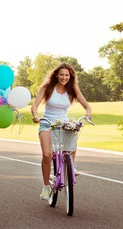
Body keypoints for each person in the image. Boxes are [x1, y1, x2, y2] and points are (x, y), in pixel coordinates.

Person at [31, 63, 92, 200]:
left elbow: (86, 105)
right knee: (47, 155)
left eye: (67, 75)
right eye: (62, 75)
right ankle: (46, 186)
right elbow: (35, 105)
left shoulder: (72, 89)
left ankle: (70, 167)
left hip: (63, 124)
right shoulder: (48, 88)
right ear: (56, 75)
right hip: (47, 123)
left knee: (73, 140)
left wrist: (88, 112)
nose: (64, 77)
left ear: (70, 77)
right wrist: (35, 115)